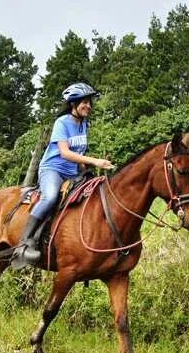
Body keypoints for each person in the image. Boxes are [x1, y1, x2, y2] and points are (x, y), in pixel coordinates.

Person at [14, 82, 114, 267]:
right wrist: (95, 161)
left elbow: (79, 153)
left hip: (73, 173)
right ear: (72, 104)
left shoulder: (84, 124)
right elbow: (65, 153)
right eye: (84, 102)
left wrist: (88, 171)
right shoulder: (62, 123)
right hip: (52, 170)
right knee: (50, 197)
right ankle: (23, 242)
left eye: (90, 102)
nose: (89, 106)